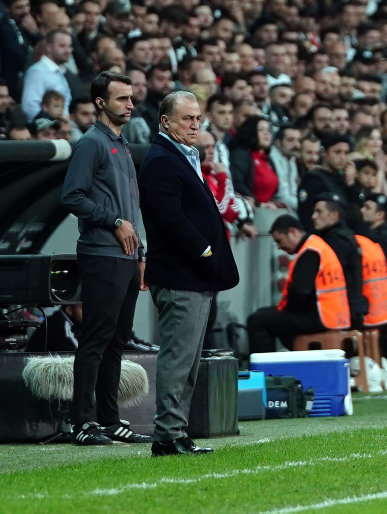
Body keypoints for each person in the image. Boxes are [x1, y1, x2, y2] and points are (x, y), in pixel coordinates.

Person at [138, 91, 239, 456]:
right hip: (181, 274)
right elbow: (170, 217)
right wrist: (204, 249)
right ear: (165, 121)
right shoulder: (162, 160)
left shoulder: (179, 155)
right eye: (187, 119)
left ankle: (177, 432)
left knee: (189, 361)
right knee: (179, 359)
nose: (195, 125)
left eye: (198, 118)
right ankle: (167, 435)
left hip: (192, 275)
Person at [60, 71, 152, 445]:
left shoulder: (121, 144)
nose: (130, 104)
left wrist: (140, 253)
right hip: (101, 254)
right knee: (96, 339)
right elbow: (72, 196)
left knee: (116, 340)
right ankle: (83, 423)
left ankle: (110, 420)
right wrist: (113, 221)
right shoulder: (92, 144)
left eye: (131, 98)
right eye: (121, 99)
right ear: (100, 103)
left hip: (127, 257)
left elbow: (131, 208)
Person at [246, 214, 350, 360]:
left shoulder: (310, 252)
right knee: (265, 314)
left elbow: (300, 292)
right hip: (331, 314)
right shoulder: (316, 246)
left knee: (257, 321)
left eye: (279, 241)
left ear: (292, 233)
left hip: (321, 317)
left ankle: (264, 368)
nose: (279, 247)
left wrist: (286, 311)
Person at [312, 193, 368, 329]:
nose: (313, 216)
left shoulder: (337, 241)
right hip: (352, 306)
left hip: (342, 310)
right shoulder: (343, 235)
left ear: (334, 216)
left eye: (319, 212)